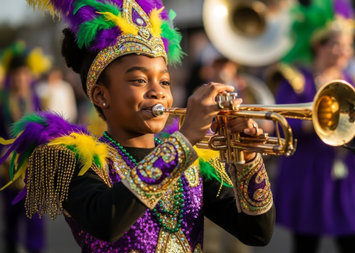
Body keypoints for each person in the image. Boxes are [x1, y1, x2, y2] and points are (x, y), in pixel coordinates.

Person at [0, 0, 275, 252]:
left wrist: (249, 158)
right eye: (139, 80)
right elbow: (108, 221)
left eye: (164, 82)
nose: (158, 92)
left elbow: (257, 233)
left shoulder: (192, 163)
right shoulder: (75, 161)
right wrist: (185, 139)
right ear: (100, 95)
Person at [274, 0, 355, 252]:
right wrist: (313, 125)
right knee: (306, 244)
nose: (344, 51)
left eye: (348, 45)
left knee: (353, 242)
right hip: (308, 171)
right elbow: (279, 122)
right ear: (318, 45)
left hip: (345, 171)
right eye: (338, 44)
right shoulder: (297, 80)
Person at [0, 42, 51, 253]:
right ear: (11, 76)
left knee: (35, 219)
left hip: (34, 170)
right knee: (11, 219)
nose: (21, 79)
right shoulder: (2, 102)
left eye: (24, 74)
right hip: (8, 171)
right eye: (16, 74)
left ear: (30, 75)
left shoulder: (39, 100)